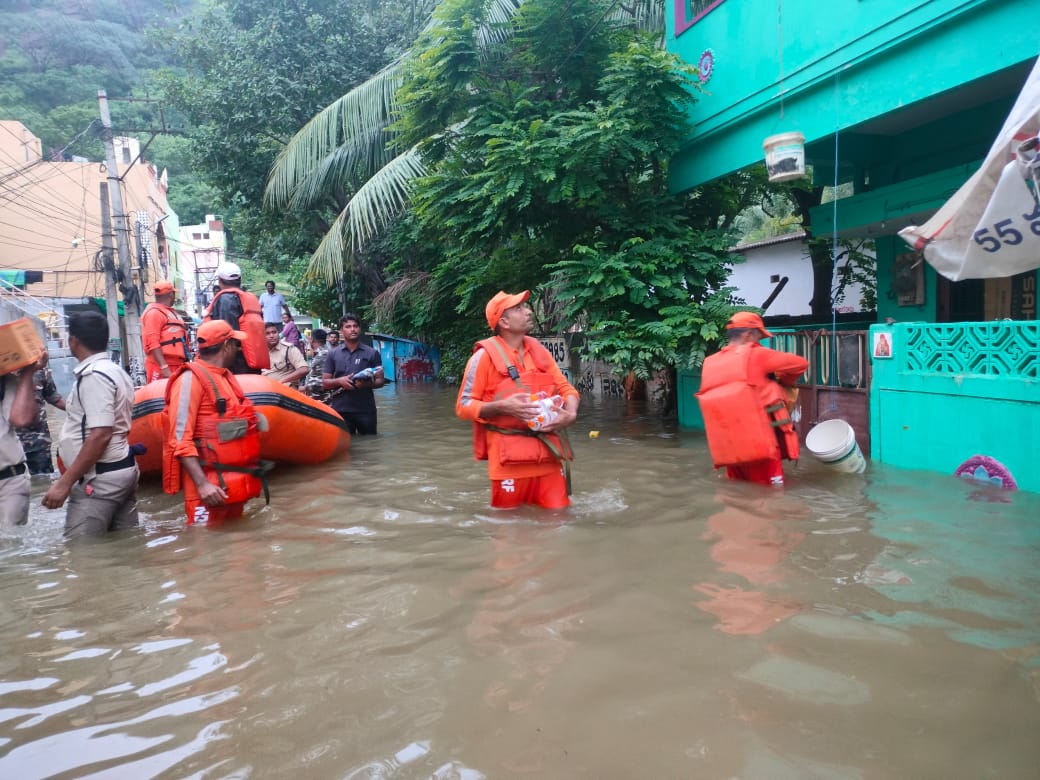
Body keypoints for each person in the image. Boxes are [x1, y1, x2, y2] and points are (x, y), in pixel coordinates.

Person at [455, 290, 580, 510]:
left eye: (525, 307)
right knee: (509, 527)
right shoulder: (482, 357)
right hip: (508, 463)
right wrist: (503, 407)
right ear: (504, 322)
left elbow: (566, 389)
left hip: (548, 456)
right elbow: (463, 406)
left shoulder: (539, 352)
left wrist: (570, 415)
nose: (528, 312)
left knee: (560, 519)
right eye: (518, 309)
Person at [44, 312, 139, 537]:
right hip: (120, 470)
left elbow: (101, 434)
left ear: (73, 340)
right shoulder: (114, 370)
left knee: (81, 551)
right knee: (125, 543)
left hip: (101, 479)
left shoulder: (94, 376)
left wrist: (64, 483)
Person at [163, 320, 266, 525]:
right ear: (226, 346)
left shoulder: (226, 377)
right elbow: (180, 440)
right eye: (235, 344)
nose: (238, 349)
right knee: (205, 540)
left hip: (233, 484)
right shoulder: (189, 380)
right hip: (207, 489)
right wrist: (202, 485)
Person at [697, 311, 809, 487]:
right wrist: (781, 382)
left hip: (731, 452)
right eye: (759, 337)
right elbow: (801, 364)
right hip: (761, 448)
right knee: (774, 497)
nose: (759, 342)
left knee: (737, 493)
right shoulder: (757, 355)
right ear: (749, 335)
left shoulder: (710, 362)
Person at [322, 313, 385, 435]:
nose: (352, 329)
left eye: (355, 326)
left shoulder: (372, 353)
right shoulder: (333, 354)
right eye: (348, 326)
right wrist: (340, 381)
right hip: (340, 410)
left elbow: (380, 381)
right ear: (341, 331)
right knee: (344, 443)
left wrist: (365, 384)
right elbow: (325, 383)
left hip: (366, 409)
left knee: (370, 443)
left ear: (359, 329)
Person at [204, 261, 269, 373]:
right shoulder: (249, 299)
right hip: (251, 360)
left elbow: (227, 334)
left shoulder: (226, 299)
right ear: (240, 279)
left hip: (235, 363)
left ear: (219, 280)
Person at [0, 356, 42, 527]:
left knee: (9, 541)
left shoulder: (5, 381)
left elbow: (22, 419)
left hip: (8, 481)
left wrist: (27, 373)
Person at [16, 350, 65, 475]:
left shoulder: (40, 371)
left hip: (39, 444)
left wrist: (80, 409)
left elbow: (54, 398)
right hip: (9, 448)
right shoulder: (4, 375)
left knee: (43, 482)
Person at [141, 279, 190, 382]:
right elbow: (153, 343)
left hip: (177, 365)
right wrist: (164, 367)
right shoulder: (154, 313)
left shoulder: (170, 313)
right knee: (159, 392)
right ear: (171, 294)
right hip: (161, 367)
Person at [262, 321, 309, 386]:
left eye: (274, 332)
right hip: (265, 388)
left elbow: (304, 369)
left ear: (278, 333)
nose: (272, 336)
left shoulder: (289, 349)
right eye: (267, 333)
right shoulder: (261, 351)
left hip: (285, 389)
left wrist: (281, 382)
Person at [303, 328, 331, 402]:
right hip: (316, 396)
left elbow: (322, 379)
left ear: (312, 339)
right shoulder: (320, 353)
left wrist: (304, 387)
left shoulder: (323, 355)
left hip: (321, 398)